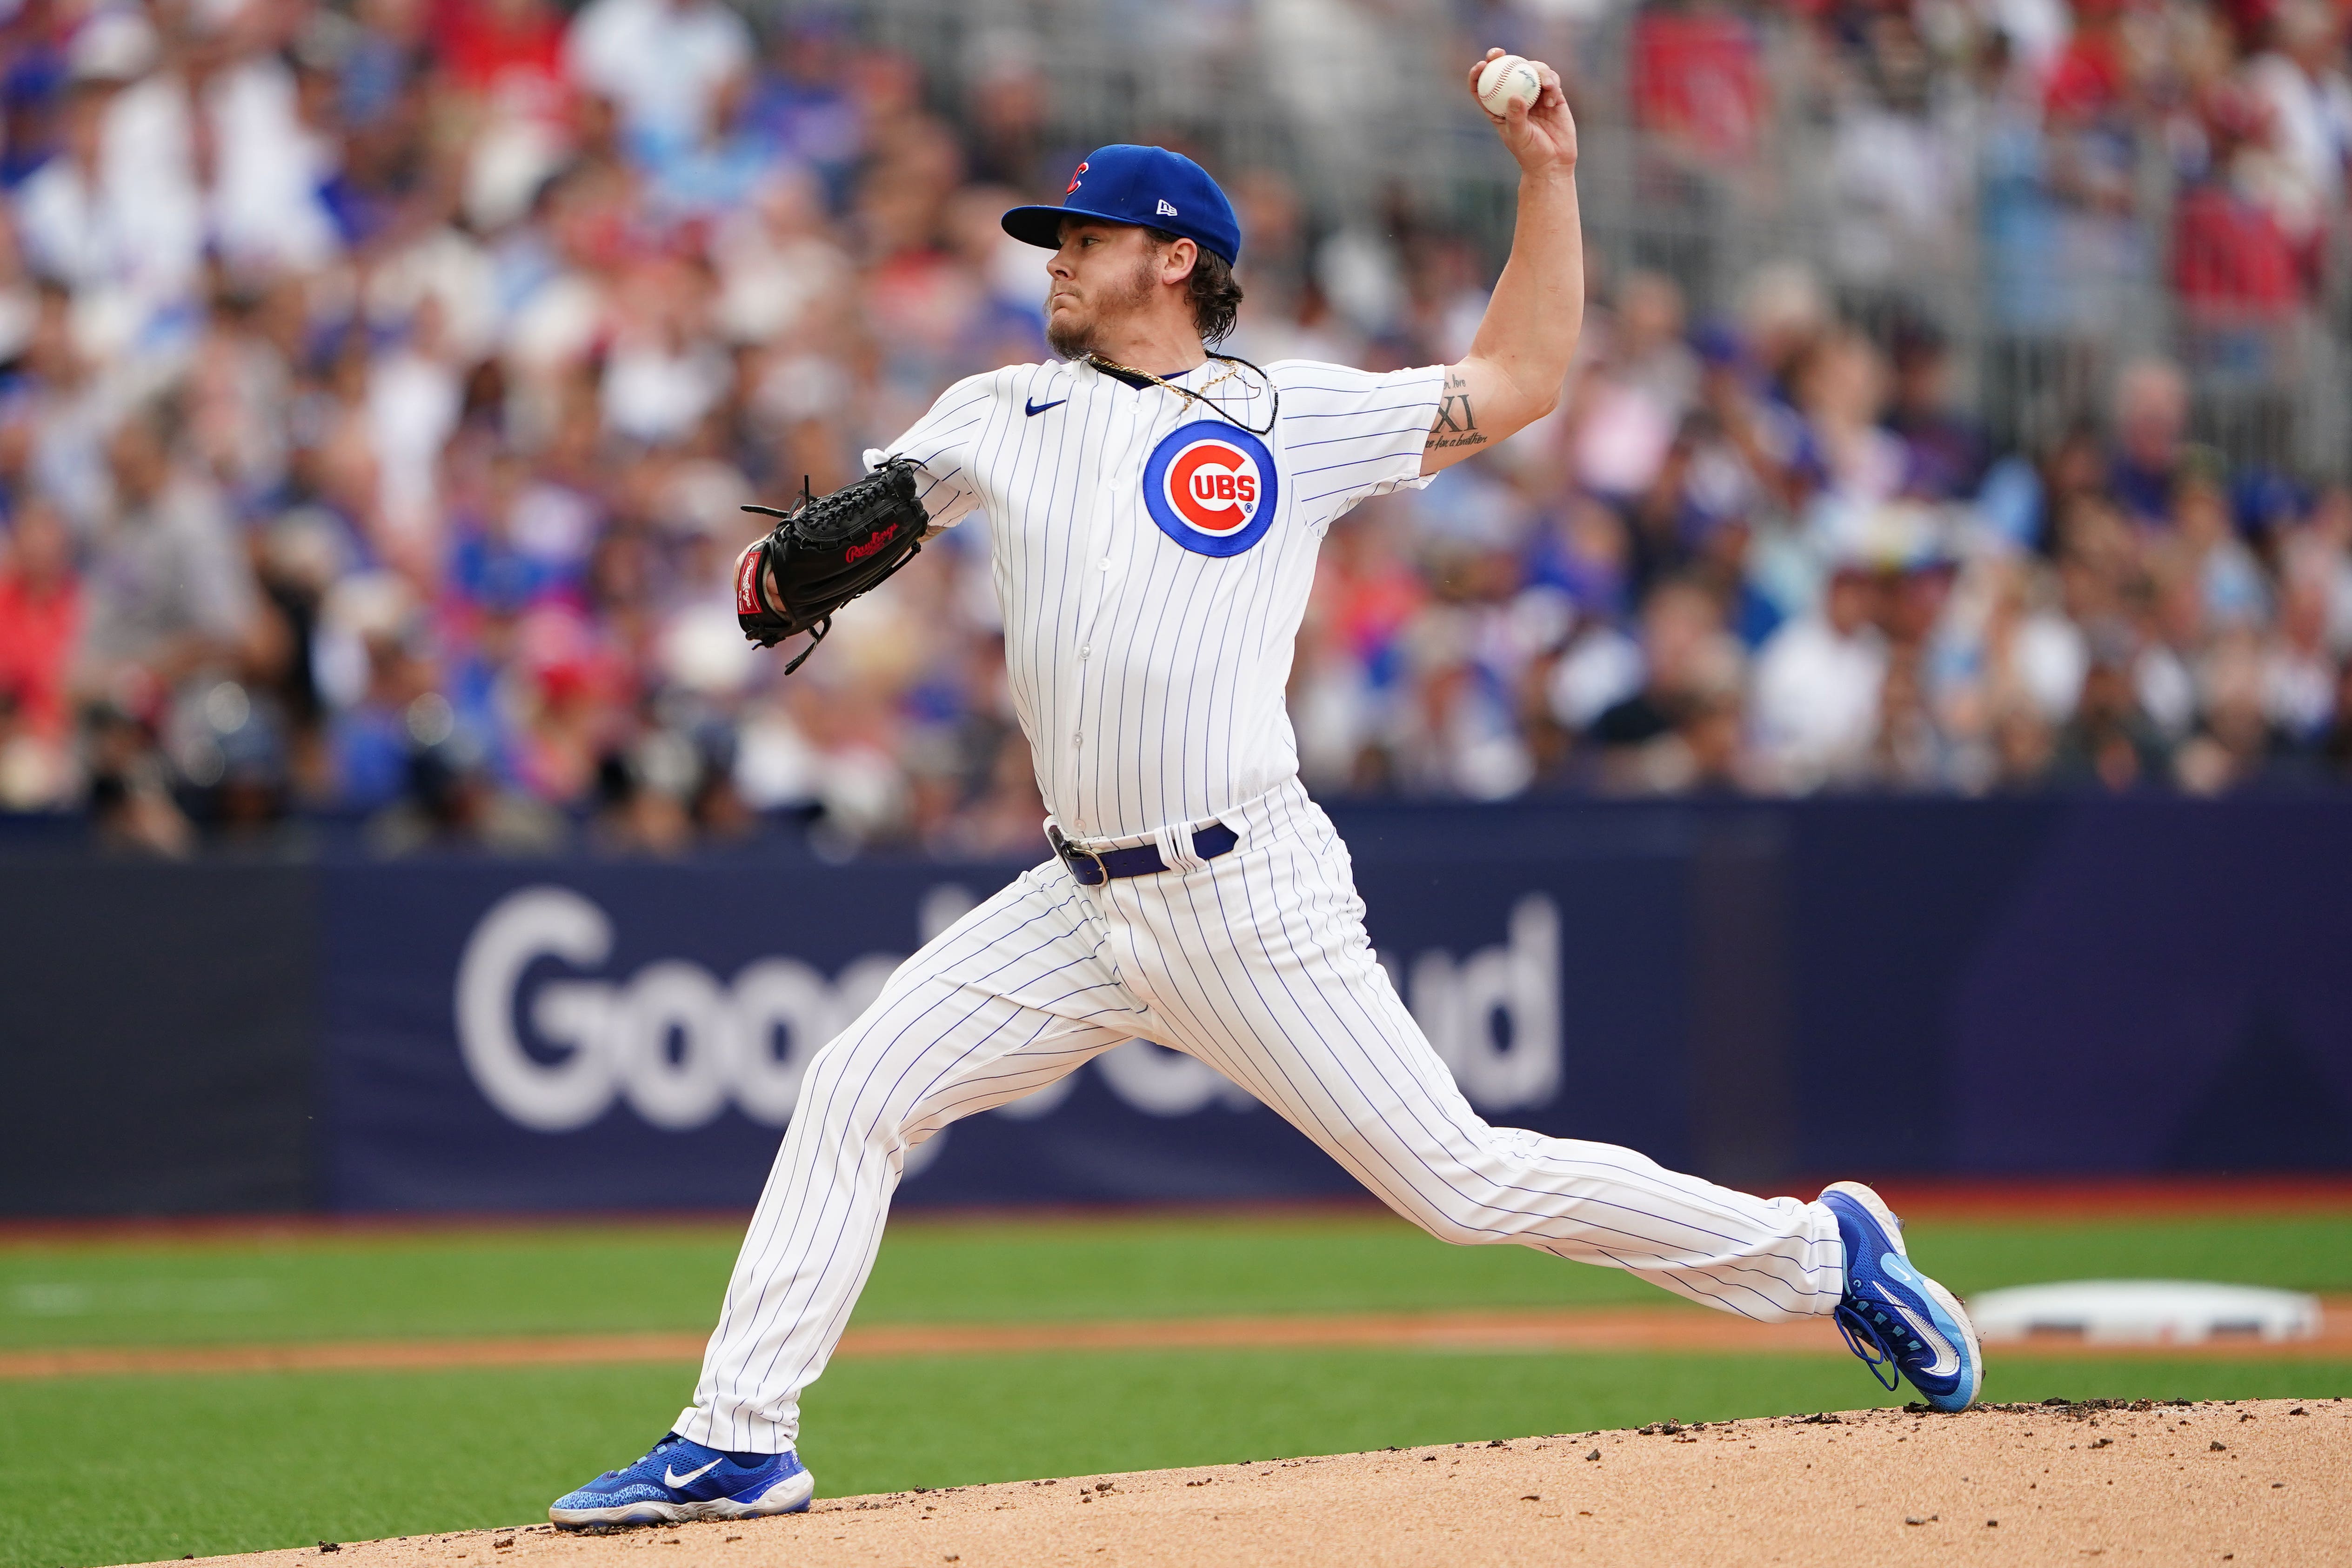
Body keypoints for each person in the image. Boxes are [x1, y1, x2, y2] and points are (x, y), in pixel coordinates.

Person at [548, 50, 1984, 1530]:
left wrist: (1548, 178)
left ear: (1174, 258)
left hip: (1247, 893)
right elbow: (810, 555)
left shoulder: (1285, 419)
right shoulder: (996, 413)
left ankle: (1825, 1255)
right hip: (1077, 898)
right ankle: (738, 1435)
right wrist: (776, 575)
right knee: (856, 1085)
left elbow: (1526, 378)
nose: (1059, 260)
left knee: (1465, 1185)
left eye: (1085, 237)